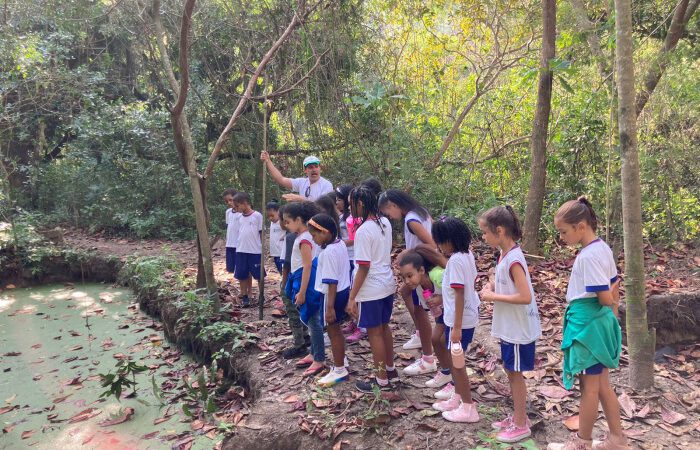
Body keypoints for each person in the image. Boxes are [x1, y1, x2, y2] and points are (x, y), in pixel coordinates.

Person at [547, 198, 629, 450]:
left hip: (588, 327)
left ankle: (582, 442)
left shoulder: (588, 256)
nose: (561, 237)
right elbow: (614, 285)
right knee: (603, 385)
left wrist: (610, 305)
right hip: (598, 323)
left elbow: (605, 296)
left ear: (581, 226)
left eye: (563, 231)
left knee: (590, 388)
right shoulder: (602, 248)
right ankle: (617, 439)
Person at [478, 206, 541, 443]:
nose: (484, 237)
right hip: (510, 326)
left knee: (515, 374)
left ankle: (521, 423)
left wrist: (493, 297)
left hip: (518, 328)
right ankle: (517, 415)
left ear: (500, 230)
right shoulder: (504, 254)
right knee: (510, 370)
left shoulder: (514, 259)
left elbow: (525, 296)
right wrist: (492, 285)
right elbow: (506, 282)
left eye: (485, 232)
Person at [346, 186, 398, 393]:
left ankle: (381, 381)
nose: (350, 209)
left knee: (374, 333)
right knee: (384, 328)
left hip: (372, 287)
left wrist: (352, 296)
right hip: (386, 283)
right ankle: (389, 369)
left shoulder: (364, 231)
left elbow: (364, 266)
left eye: (352, 204)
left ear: (360, 204)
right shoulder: (384, 223)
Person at [379, 189, 437, 372]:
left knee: (421, 309)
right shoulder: (420, 212)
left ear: (393, 205)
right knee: (406, 293)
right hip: (421, 267)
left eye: (387, 212)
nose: (389, 216)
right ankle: (422, 334)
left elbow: (432, 244)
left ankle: (428, 358)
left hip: (421, 268)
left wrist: (408, 252)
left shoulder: (411, 219)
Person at [431, 217, 480, 423]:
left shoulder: (457, 260)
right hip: (463, 316)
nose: (439, 246)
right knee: (455, 360)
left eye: (441, 241)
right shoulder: (466, 255)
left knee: (458, 363)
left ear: (451, 240)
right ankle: (458, 396)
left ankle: (468, 407)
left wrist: (457, 327)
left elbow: (459, 293)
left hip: (460, 320)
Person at [397, 246, 453, 396]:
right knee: (435, 339)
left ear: (421, 270)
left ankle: (456, 382)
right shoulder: (419, 287)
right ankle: (446, 372)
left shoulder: (439, 275)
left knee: (447, 341)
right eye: (403, 278)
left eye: (410, 276)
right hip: (444, 312)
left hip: (457, 311)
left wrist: (441, 298)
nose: (407, 281)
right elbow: (432, 310)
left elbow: (458, 291)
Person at [308, 213, 351, 387]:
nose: (314, 239)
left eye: (315, 235)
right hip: (343, 290)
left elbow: (331, 281)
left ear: (325, 232)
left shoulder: (329, 253)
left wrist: (330, 307)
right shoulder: (339, 244)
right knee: (336, 331)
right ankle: (342, 361)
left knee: (333, 331)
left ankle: (340, 369)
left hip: (332, 295)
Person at [283, 201, 325, 377]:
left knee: (314, 321)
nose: (285, 225)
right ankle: (313, 353)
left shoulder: (305, 239)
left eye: (287, 221)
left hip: (306, 282)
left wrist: (301, 291)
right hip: (299, 279)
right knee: (309, 319)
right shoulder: (302, 237)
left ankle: (319, 359)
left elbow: (307, 266)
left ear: (298, 220)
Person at [278, 204, 309, 360]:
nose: (284, 224)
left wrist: (284, 285)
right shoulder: (309, 235)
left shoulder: (292, 238)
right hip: (304, 279)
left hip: (295, 279)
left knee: (293, 312)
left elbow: (287, 264)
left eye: (286, 221)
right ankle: (305, 336)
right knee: (302, 310)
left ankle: (299, 344)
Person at [232, 192, 264, 307]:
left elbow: (261, 233)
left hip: (255, 250)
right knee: (242, 274)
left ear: (244, 203)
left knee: (259, 275)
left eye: (237, 206)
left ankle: (262, 295)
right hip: (241, 249)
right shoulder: (239, 217)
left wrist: (262, 249)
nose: (235, 209)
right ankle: (245, 296)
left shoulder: (257, 216)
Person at [260, 151, 333, 202]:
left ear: (320, 168)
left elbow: (323, 208)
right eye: (310, 167)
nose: (314, 170)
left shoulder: (326, 185)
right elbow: (281, 179)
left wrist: (301, 200)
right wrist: (268, 161)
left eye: (316, 167)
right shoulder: (302, 182)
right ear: (305, 170)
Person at [223, 188, 240, 283]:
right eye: (227, 201)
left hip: (240, 245)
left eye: (231, 199)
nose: (229, 202)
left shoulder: (242, 213)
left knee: (242, 269)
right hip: (230, 244)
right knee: (232, 268)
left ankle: (246, 291)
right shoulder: (228, 212)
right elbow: (229, 226)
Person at [266, 200, 285, 273]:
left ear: (278, 212)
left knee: (284, 271)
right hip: (275, 253)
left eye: (272, 215)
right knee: (280, 271)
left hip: (281, 253)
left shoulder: (282, 222)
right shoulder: (272, 222)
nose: (270, 218)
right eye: (269, 216)